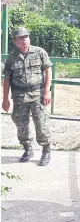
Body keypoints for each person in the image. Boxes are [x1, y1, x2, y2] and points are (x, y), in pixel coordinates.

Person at [2, 27, 53, 166]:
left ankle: (46, 151)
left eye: (26, 36)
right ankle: (27, 148)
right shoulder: (12, 57)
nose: (25, 38)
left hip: (38, 94)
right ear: (15, 40)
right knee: (21, 124)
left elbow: (48, 70)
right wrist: (5, 99)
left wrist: (47, 91)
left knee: (41, 123)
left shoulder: (39, 52)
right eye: (21, 37)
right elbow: (7, 79)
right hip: (19, 96)